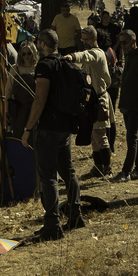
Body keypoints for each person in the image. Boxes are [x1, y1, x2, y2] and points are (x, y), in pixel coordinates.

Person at [20, 30, 85, 241]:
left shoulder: (45, 66)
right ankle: (76, 215)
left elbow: (40, 100)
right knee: (68, 171)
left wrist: (28, 129)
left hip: (49, 127)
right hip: (66, 126)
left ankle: (52, 225)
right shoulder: (66, 63)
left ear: (41, 44)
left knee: (48, 176)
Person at [74, 26, 113, 177]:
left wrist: (71, 57)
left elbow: (86, 56)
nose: (85, 42)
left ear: (95, 38)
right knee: (93, 136)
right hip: (90, 100)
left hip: (99, 100)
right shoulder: (89, 52)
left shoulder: (97, 53)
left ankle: (107, 169)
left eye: (88, 39)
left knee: (100, 135)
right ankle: (98, 167)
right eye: (83, 39)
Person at [111, 29, 138, 182]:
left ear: (133, 41)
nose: (122, 45)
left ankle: (126, 172)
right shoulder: (130, 56)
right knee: (134, 138)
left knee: (132, 139)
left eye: (125, 42)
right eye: (120, 42)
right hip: (127, 104)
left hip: (136, 105)